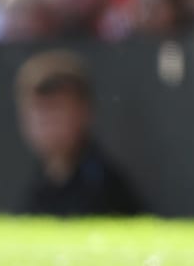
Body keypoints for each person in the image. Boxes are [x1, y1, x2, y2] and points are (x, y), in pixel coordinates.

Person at [14, 50, 144, 217]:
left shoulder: (105, 190)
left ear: (84, 112)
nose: (45, 121)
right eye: (38, 110)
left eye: (56, 109)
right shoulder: (39, 189)